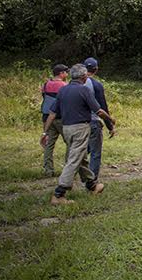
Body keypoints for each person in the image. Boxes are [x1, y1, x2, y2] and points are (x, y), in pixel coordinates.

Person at [41, 64, 116, 205]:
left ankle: (92, 185)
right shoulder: (84, 90)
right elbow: (98, 111)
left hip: (67, 128)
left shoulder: (63, 90)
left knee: (81, 158)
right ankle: (59, 194)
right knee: (74, 159)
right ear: (83, 77)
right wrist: (110, 119)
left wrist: (45, 131)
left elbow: (52, 113)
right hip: (80, 128)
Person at [82, 57, 115, 180]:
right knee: (95, 152)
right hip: (94, 121)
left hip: (78, 122)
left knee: (82, 149)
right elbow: (102, 107)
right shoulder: (96, 85)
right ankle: (92, 181)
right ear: (96, 69)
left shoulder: (74, 83)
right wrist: (110, 126)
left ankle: (74, 172)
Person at [40, 64, 69, 176]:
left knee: (48, 144)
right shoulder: (64, 85)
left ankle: (48, 170)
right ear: (61, 73)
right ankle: (68, 169)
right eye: (66, 72)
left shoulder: (46, 84)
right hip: (61, 118)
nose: (67, 74)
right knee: (70, 143)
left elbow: (45, 98)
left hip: (47, 117)